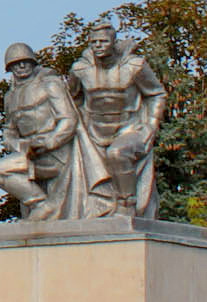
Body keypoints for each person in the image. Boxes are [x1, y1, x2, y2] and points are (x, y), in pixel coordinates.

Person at [66, 19, 168, 219]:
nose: (98, 46)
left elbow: (156, 94)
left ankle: (127, 203)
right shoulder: (80, 70)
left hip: (128, 128)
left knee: (118, 153)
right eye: (94, 42)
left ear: (113, 42)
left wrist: (151, 125)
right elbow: (72, 99)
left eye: (103, 42)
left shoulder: (135, 66)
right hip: (94, 131)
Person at [0, 42, 77, 219]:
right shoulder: (10, 97)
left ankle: (43, 205)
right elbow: (9, 130)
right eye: (16, 63)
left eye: (25, 61)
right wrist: (18, 145)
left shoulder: (50, 84)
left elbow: (68, 119)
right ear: (10, 68)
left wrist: (49, 142)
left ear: (33, 63)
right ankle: (41, 204)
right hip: (29, 154)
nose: (22, 66)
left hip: (56, 154)